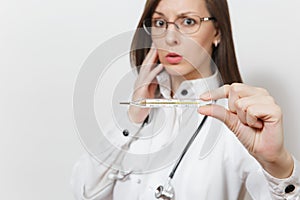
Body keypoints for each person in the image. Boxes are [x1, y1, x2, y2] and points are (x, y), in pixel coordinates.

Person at [71, 0, 300, 199]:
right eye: (160, 23)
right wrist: (131, 119)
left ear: (217, 32)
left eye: (188, 21)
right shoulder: (137, 114)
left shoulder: (238, 120)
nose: (170, 38)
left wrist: (278, 163)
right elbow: (84, 191)